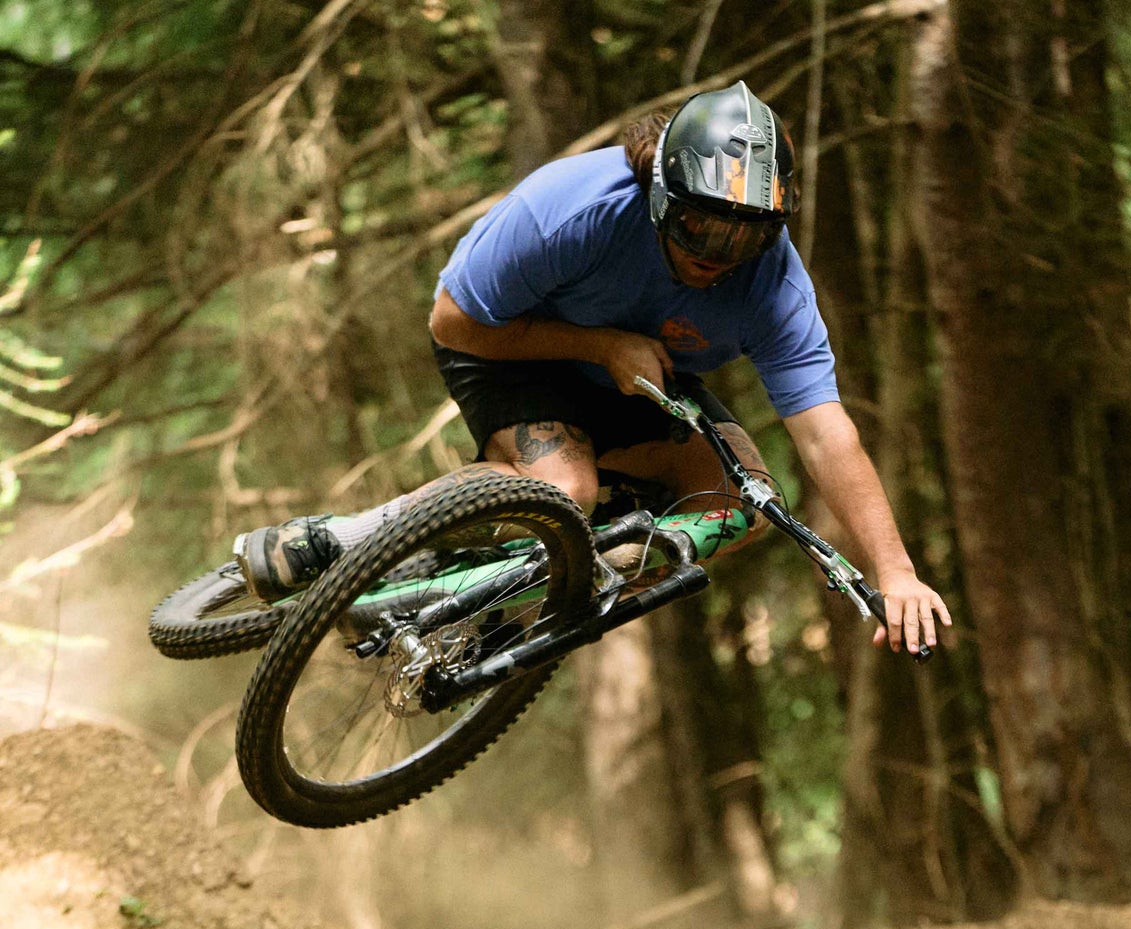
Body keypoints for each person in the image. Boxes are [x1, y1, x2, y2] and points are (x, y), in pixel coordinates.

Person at [236, 81, 949, 655]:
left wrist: (898, 574)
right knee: (564, 488)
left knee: (738, 507)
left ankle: (544, 599)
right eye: (702, 226)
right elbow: (452, 322)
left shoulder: (774, 288)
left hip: (643, 376)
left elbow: (827, 434)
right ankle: (340, 539)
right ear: (665, 197)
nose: (720, 253)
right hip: (512, 341)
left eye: (748, 235)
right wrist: (599, 345)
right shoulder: (574, 210)